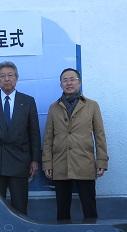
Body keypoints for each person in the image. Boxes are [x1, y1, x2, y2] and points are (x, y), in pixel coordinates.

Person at [42, 68, 108, 221]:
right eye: (65, 80)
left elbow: (100, 135)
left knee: (89, 207)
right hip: (60, 163)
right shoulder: (54, 108)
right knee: (62, 209)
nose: (69, 83)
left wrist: (102, 161)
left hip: (84, 162)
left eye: (72, 79)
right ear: (61, 85)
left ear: (79, 83)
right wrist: (47, 163)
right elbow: (48, 138)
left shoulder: (92, 106)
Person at [0, 61, 42, 215]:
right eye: (2, 76)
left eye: (10, 75)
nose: (6, 79)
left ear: (16, 78)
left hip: (20, 159)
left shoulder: (28, 101)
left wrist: (35, 159)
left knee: (20, 206)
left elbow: (34, 133)